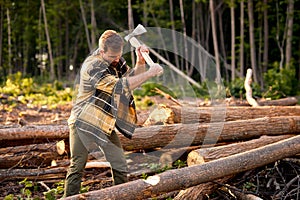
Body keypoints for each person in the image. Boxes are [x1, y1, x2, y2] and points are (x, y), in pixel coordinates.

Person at [63, 30, 163, 197]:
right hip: (83, 121)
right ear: (102, 52)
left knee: (119, 163)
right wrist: (150, 73)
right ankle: (68, 197)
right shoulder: (93, 66)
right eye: (112, 57)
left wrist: (140, 62)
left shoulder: (116, 59)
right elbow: (120, 86)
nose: (116, 60)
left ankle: (121, 196)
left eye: (119, 56)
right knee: (78, 165)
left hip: (104, 121)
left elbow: (132, 80)